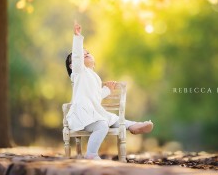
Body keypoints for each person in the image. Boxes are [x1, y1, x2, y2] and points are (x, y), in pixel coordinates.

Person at [65, 21, 153, 160]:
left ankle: (133, 126)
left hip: (92, 112)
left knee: (114, 119)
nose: (85, 53)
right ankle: (91, 154)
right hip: (82, 115)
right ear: (72, 65)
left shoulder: (95, 77)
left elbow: (96, 96)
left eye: (88, 53)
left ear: (93, 62)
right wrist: (77, 38)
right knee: (102, 125)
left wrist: (107, 89)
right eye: (83, 53)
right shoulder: (78, 73)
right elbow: (76, 57)